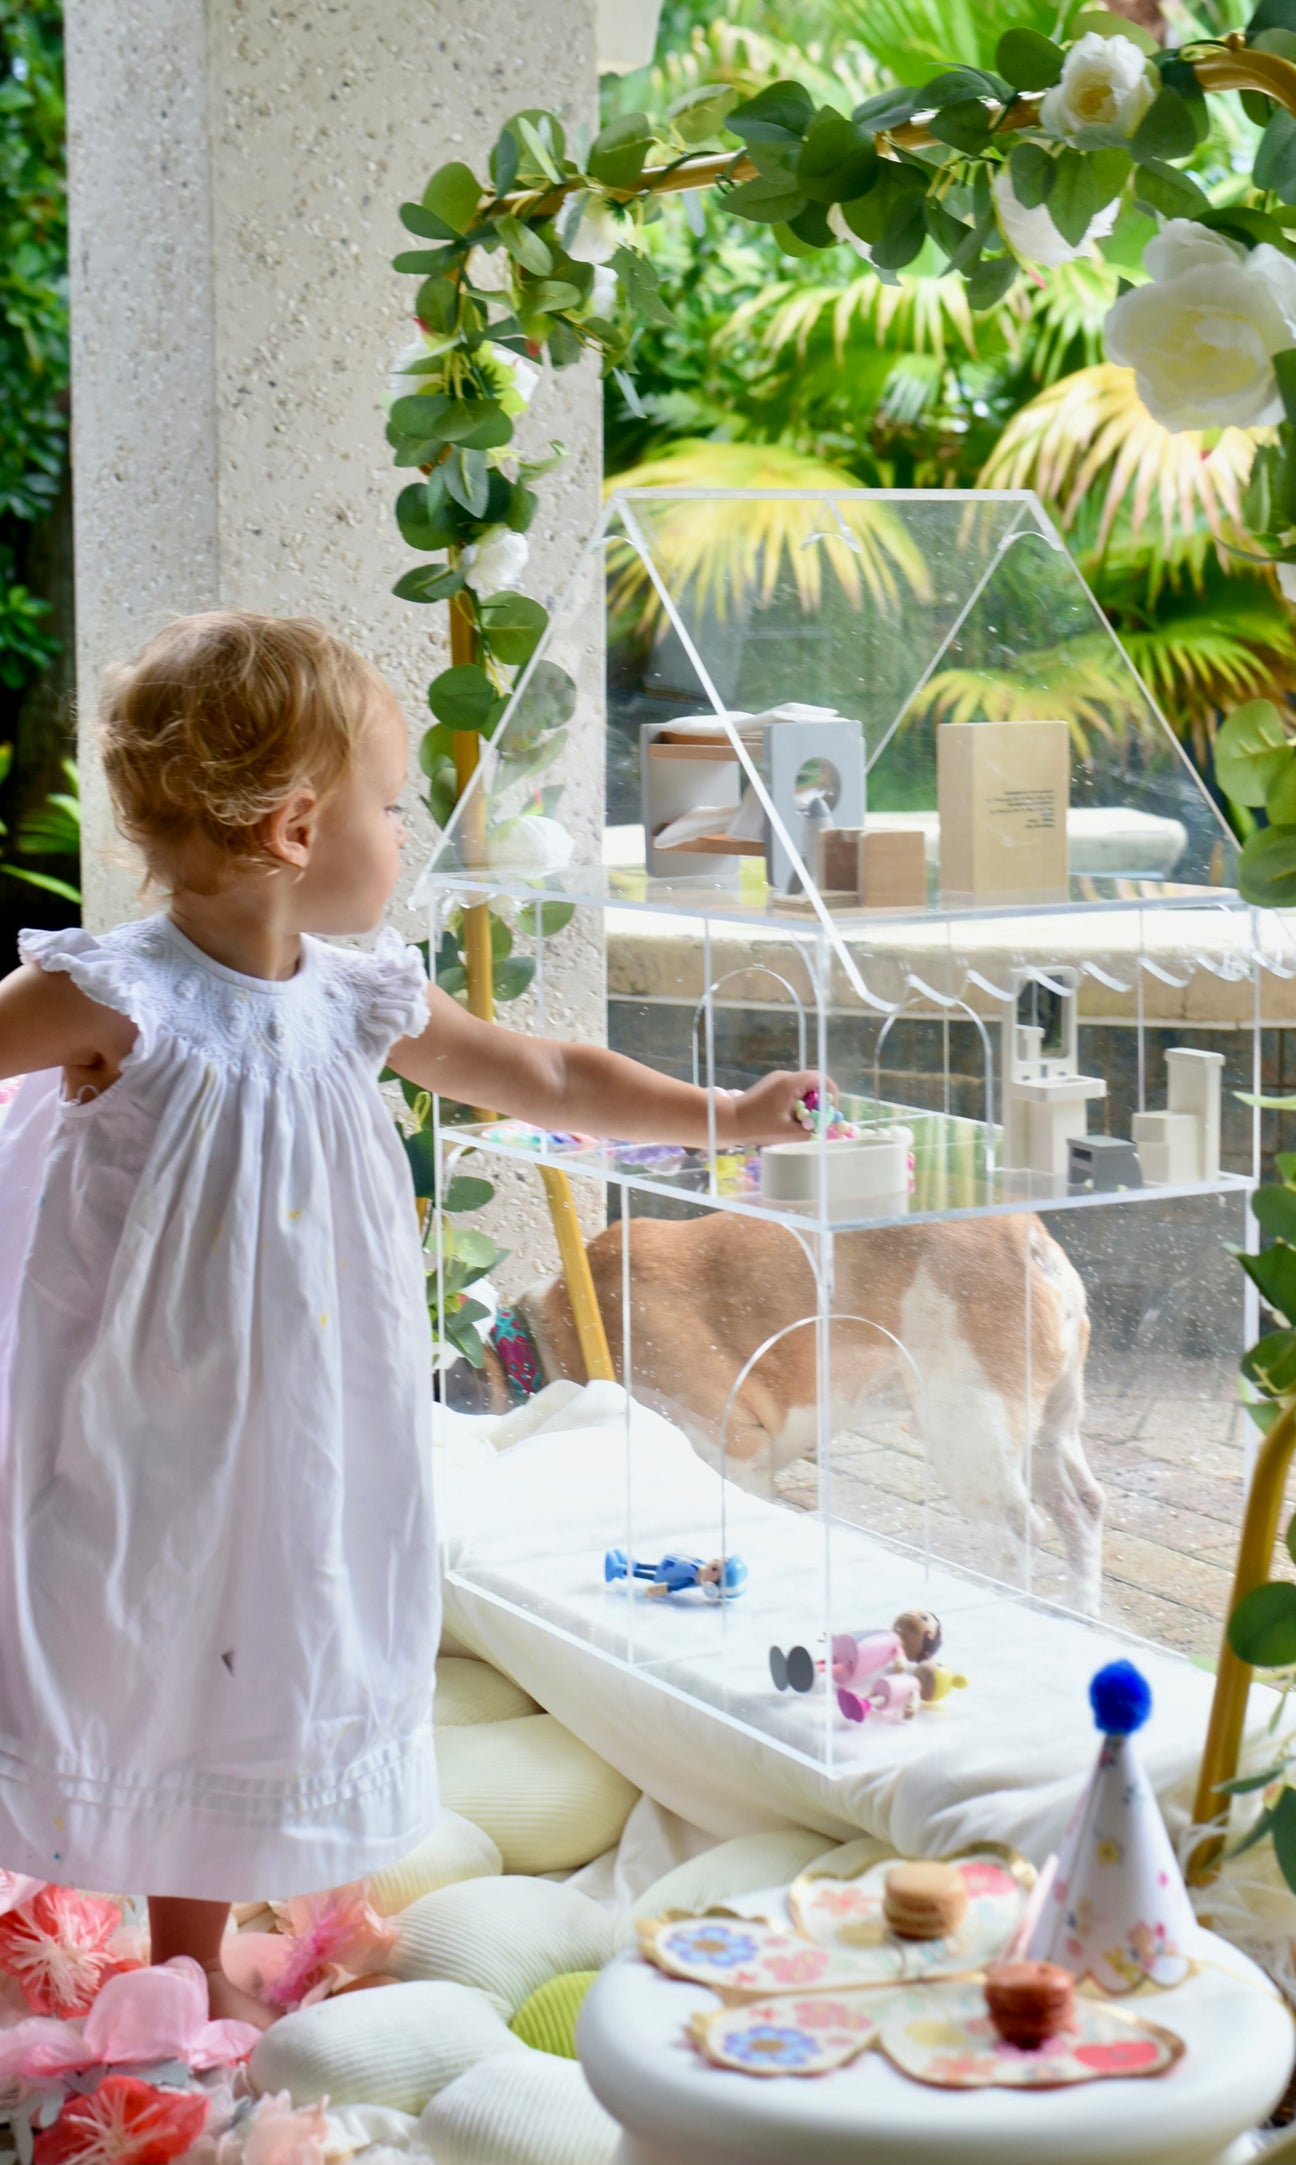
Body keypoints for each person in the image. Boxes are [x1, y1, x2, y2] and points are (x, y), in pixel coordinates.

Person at [0, 611, 821, 2027]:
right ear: (299, 829)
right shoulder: (117, 997)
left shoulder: (353, 998)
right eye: (391, 802)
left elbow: (548, 1072)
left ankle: (184, 1968)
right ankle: (140, 1927)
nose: (407, 828)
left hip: (306, 1409)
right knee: (130, 1619)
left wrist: (723, 1120)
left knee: (257, 1625)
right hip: (141, 1410)